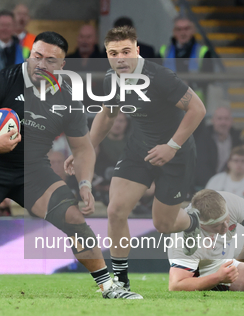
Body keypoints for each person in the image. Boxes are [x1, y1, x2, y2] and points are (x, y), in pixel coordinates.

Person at [0, 31, 141, 299]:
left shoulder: (66, 97)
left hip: (32, 170)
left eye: (50, 60)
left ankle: (109, 287)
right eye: (37, 56)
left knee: (74, 219)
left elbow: (82, 147)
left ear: (62, 65)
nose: (41, 64)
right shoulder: (6, 79)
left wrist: (85, 183)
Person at [65, 26, 206, 292]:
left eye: (126, 51)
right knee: (115, 211)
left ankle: (192, 222)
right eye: (113, 53)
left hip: (176, 153)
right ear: (106, 55)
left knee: (163, 224)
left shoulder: (161, 76)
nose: (121, 58)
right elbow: (107, 115)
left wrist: (172, 146)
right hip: (139, 148)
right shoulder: (111, 78)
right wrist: (86, 149)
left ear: (137, 51)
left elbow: (197, 108)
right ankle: (120, 280)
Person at [194, 107, 243, 189]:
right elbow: (201, 165)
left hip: (232, 186)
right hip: (207, 185)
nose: (223, 122)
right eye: (219, 119)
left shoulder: (237, 140)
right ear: (213, 120)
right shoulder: (202, 138)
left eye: (226, 119)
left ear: (231, 121)